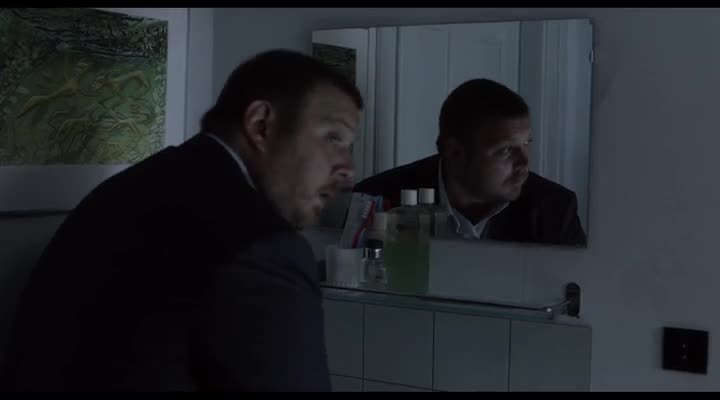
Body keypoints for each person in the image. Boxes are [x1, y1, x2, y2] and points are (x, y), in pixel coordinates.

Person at [0, 49, 363, 391]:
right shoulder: (262, 249)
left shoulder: (134, 188)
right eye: (334, 138)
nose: (348, 168)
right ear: (261, 125)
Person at [354, 78, 586, 247]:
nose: (524, 163)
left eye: (526, 143)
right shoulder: (377, 199)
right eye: (506, 150)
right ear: (455, 152)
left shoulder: (554, 210)